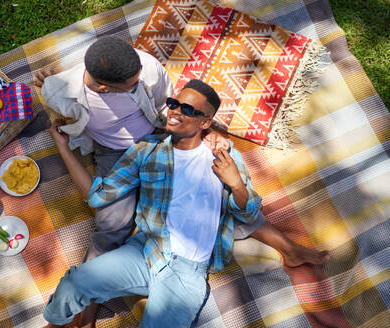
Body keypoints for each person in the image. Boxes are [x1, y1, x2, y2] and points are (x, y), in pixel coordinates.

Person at [37, 36, 329, 269]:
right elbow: (63, 111)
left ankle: (288, 250)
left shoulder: (147, 68)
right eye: (131, 85)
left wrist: (204, 131)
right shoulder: (59, 93)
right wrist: (51, 88)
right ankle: (86, 299)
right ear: (103, 86)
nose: (140, 82)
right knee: (113, 222)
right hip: (114, 152)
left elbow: (169, 106)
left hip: (161, 135)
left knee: (217, 187)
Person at [44, 80, 263, 327]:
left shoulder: (225, 154)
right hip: (146, 252)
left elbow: (249, 212)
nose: (177, 111)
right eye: (174, 104)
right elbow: (98, 195)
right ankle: (55, 324)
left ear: (205, 122)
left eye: (189, 110)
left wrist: (236, 184)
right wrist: (63, 148)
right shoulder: (147, 149)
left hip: (186, 274)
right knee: (75, 282)